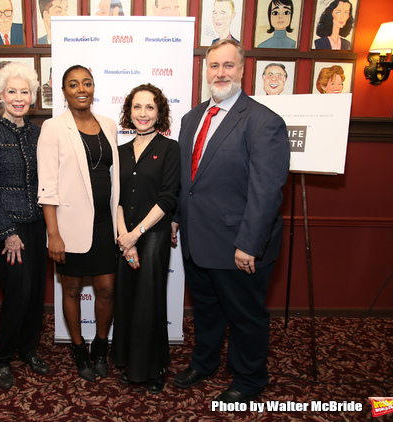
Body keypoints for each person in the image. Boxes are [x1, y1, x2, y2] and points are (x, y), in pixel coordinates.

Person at [172, 39, 290, 404]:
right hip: (197, 240)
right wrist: (177, 218)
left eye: (228, 66)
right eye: (214, 66)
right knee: (206, 310)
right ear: (205, 70)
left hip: (239, 244)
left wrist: (248, 245)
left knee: (245, 317)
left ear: (242, 70)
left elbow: (267, 190)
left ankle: (250, 379)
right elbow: (185, 180)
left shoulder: (263, 121)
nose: (220, 73)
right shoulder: (192, 118)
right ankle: (204, 362)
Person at [37, 65, 119, 383]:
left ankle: (100, 346)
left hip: (104, 223)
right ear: (64, 92)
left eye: (86, 83)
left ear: (94, 87)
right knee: (71, 289)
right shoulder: (53, 128)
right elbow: (47, 186)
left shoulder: (109, 125)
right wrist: (53, 234)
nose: (81, 89)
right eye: (73, 84)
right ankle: (78, 348)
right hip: (68, 226)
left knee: (107, 290)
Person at [0, 62, 50, 390]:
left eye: (24, 92)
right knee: (17, 294)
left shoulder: (38, 132)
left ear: (32, 96)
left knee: (36, 293)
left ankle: (28, 349)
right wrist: (6, 233)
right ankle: (2, 357)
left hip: (38, 225)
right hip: (11, 229)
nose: (18, 98)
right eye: (12, 92)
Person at [111, 84, 180, 394]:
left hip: (154, 235)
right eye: (137, 107)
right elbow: (117, 199)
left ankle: (152, 368)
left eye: (149, 107)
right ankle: (128, 360)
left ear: (159, 112)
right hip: (125, 234)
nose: (142, 113)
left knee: (148, 302)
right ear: (129, 111)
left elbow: (168, 199)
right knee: (126, 298)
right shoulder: (120, 150)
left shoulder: (170, 148)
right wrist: (125, 238)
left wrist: (136, 236)